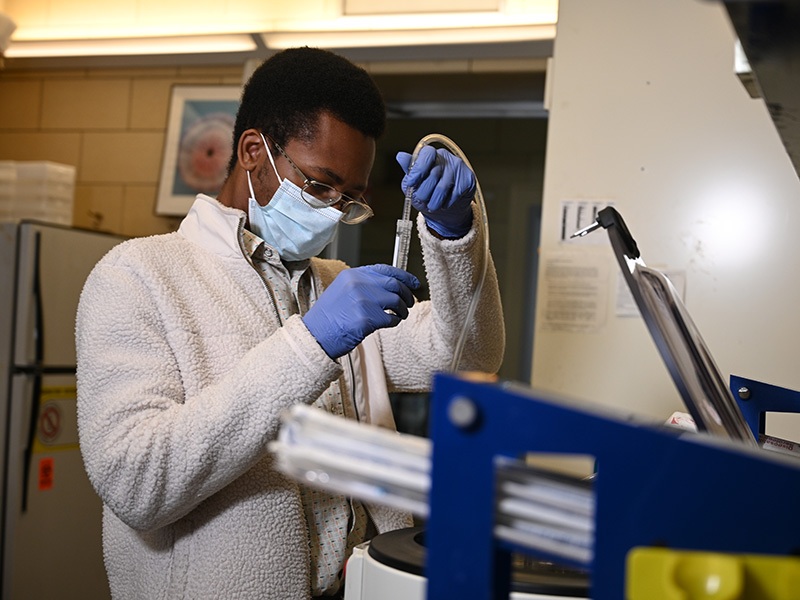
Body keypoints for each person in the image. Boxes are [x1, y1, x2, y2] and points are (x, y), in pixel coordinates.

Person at [76, 47, 504, 600]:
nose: (331, 211)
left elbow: (470, 353)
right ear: (254, 151)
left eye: (349, 198)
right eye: (320, 185)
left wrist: (455, 233)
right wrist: (312, 343)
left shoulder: (334, 284)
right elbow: (137, 482)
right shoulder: (139, 275)